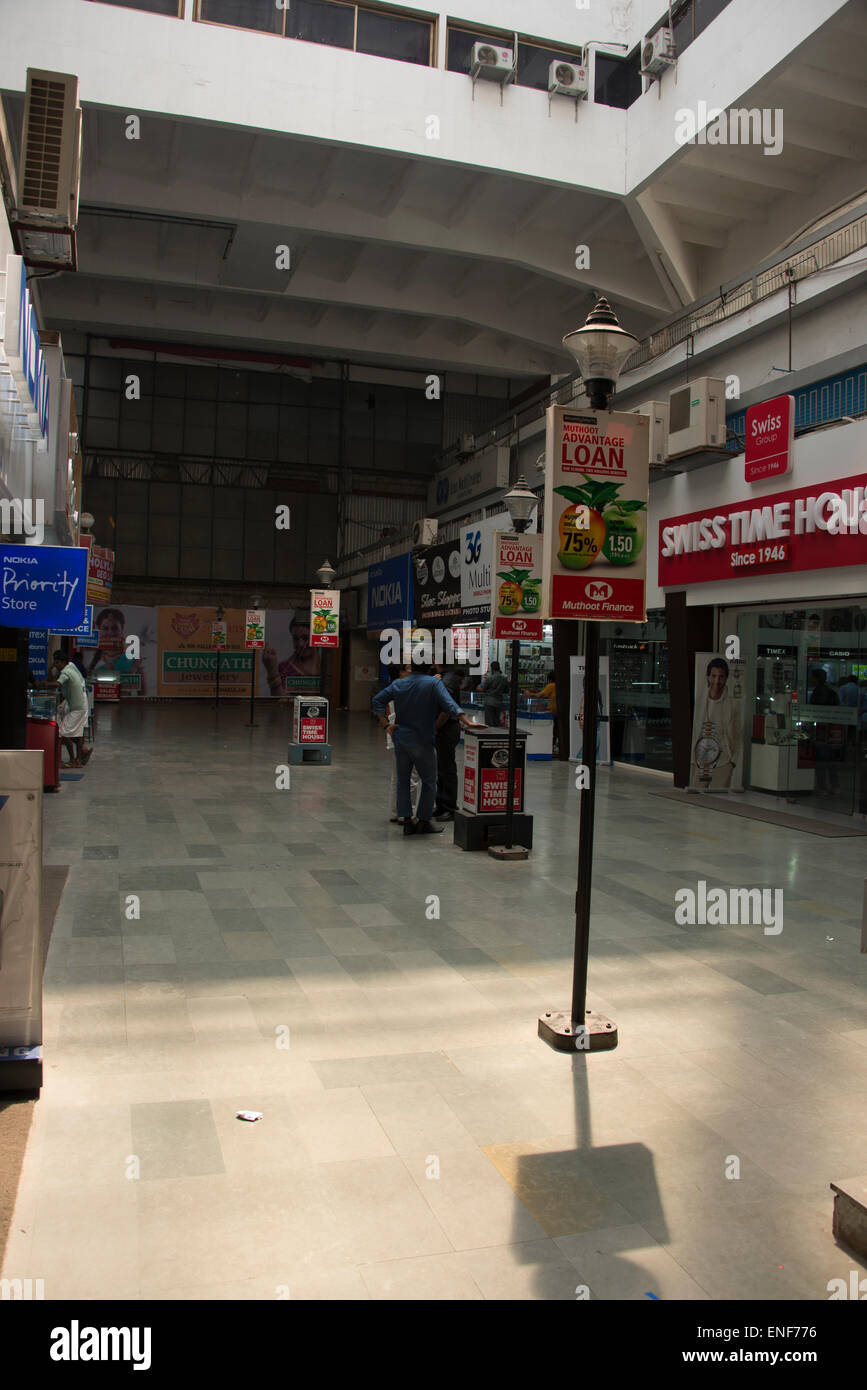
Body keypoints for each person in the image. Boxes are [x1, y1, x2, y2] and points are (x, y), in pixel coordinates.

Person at [372, 661, 481, 836]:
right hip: (423, 739)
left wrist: (386, 725)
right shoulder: (433, 683)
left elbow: (377, 701)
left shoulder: (398, 683)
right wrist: (466, 721)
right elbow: (448, 704)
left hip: (401, 738)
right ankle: (423, 821)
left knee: (403, 781)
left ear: (411, 667)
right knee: (429, 782)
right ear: (428, 667)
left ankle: (407, 821)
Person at [691, 656, 742, 791]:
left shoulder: (732, 705)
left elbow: (738, 735)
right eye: (713, 676)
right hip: (701, 761)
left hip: (723, 763)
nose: (717, 681)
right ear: (708, 677)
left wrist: (732, 762)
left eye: (721, 676)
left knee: (718, 801)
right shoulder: (699, 702)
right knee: (696, 802)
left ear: (726, 679)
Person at [385, 664, 420, 823]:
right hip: (405, 733)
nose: (410, 671)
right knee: (411, 775)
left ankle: (394, 811)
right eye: (407, 669)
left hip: (393, 733)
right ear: (400, 672)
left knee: (397, 775)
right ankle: (407, 814)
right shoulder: (404, 688)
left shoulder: (390, 687)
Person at [47, 650, 91, 768]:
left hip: (77, 706)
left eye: (57, 663)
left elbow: (57, 684)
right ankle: (79, 758)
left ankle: (73, 760)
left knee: (63, 733)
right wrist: (50, 670)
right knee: (77, 733)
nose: (56, 665)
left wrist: (44, 683)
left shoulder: (66, 671)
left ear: (62, 662)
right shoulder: (71, 668)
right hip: (80, 705)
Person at [432, 661, 462, 821]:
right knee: (442, 768)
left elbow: (446, 709)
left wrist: (436, 726)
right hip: (445, 728)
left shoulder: (447, 680)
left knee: (447, 769)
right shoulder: (445, 677)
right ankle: (441, 804)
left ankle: (449, 807)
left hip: (447, 728)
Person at [263, 614, 322, 694]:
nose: (300, 644)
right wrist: (272, 671)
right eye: (296, 639)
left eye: (305, 638)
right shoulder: (285, 668)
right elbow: (280, 701)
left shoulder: (327, 667)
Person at [479, 661, 509, 729]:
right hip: (499, 702)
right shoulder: (504, 679)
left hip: (489, 702)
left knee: (489, 724)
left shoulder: (489, 678)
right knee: (497, 722)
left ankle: (489, 737)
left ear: (492, 668)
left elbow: (482, 688)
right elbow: (507, 691)